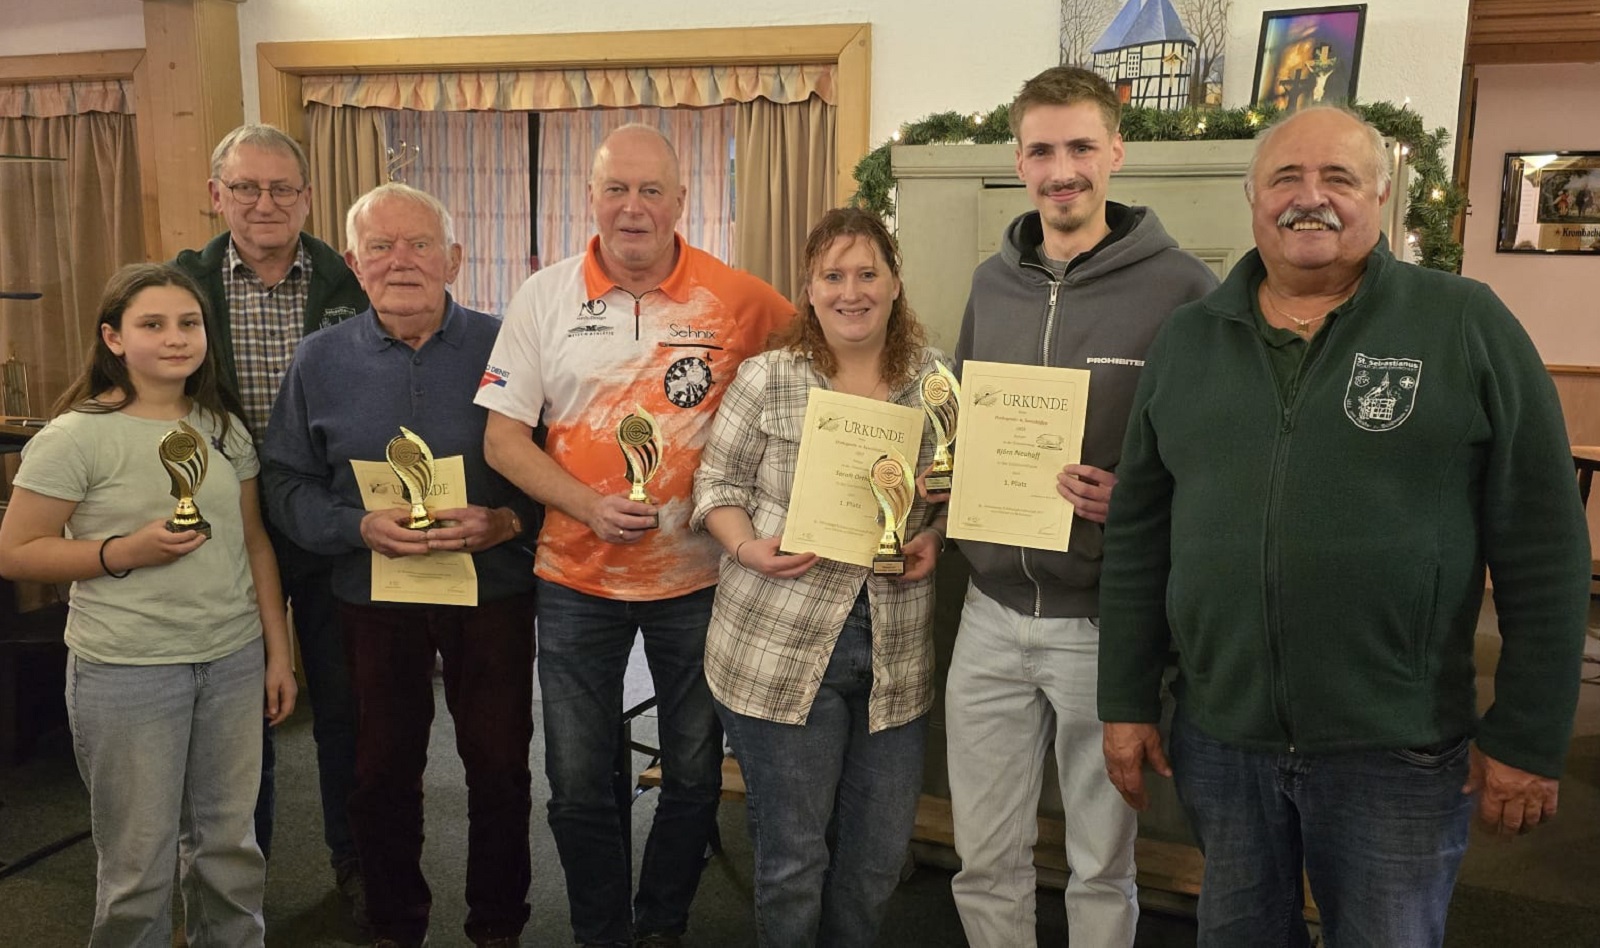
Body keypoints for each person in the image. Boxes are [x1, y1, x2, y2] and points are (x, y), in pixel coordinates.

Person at [1098, 106, 1593, 948]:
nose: (1310, 199)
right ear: (1253, 198)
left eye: (1339, 179)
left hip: (1394, 747)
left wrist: (1529, 735)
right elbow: (1142, 532)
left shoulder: (1463, 324)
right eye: (1287, 179)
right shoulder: (1189, 339)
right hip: (1223, 737)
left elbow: (1545, 546)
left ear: (1383, 197)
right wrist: (1125, 700)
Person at [477, 123, 794, 947]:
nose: (633, 207)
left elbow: (826, 374)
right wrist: (584, 505)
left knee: (693, 776)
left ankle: (661, 925)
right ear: (591, 196)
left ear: (682, 201)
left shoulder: (743, 300)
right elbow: (502, 439)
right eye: (616, 188)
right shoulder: (543, 296)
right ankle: (600, 932)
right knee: (579, 782)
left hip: (702, 581)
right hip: (575, 578)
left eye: (652, 190)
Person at [932, 66, 1218, 948]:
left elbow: (1220, 460)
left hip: (1105, 626)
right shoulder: (992, 283)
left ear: (1116, 151)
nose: (1063, 169)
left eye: (1081, 146)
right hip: (988, 614)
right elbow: (969, 425)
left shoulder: (1183, 289)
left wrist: (1136, 497)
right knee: (985, 857)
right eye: (1043, 150)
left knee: (1101, 862)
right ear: (1019, 162)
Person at [261, 183, 539, 948]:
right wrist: (355, 526)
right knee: (379, 772)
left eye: (419, 244)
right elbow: (284, 481)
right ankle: (392, 924)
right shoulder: (317, 361)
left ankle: (498, 925)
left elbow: (560, 469)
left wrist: (508, 520)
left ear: (453, 257)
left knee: (499, 770)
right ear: (354, 263)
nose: (401, 261)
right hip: (369, 597)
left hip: (493, 593)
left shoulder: (509, 345)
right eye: (380, 247)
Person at [0, 263, 296, 946]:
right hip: (128, 671)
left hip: (230, 662)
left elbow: (254, 545)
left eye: (188, 323)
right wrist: (121, 551)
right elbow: (17, 551)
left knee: (229, 850)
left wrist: (277, 656)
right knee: (138, 867)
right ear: (113, 337)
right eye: (152, 325)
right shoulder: (75, 435)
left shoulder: (221, 426)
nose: (175, 339)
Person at [691, 207, 944, 947]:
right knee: (794, 862)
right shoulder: (768, 378)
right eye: (833, 276)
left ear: (896, 283)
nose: (851, 291)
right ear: (808, 288)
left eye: (868, 273)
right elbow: (715, 487)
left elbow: (946, 495)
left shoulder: (934, 383)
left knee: (874, 862)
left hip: (894, 649)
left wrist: (935, 536)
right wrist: (745, 548)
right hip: (779, 642)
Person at [172, 123, 369, 919]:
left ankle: (356, 866)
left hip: (326, 523)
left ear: (308, 199)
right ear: (216, 195)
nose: (264, 203)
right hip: (225, 529)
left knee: (345, 705)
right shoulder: (178, 287)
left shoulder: (349, 279)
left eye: (282, 188)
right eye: (245, 188)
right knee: (239, 709)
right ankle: (235, 886)